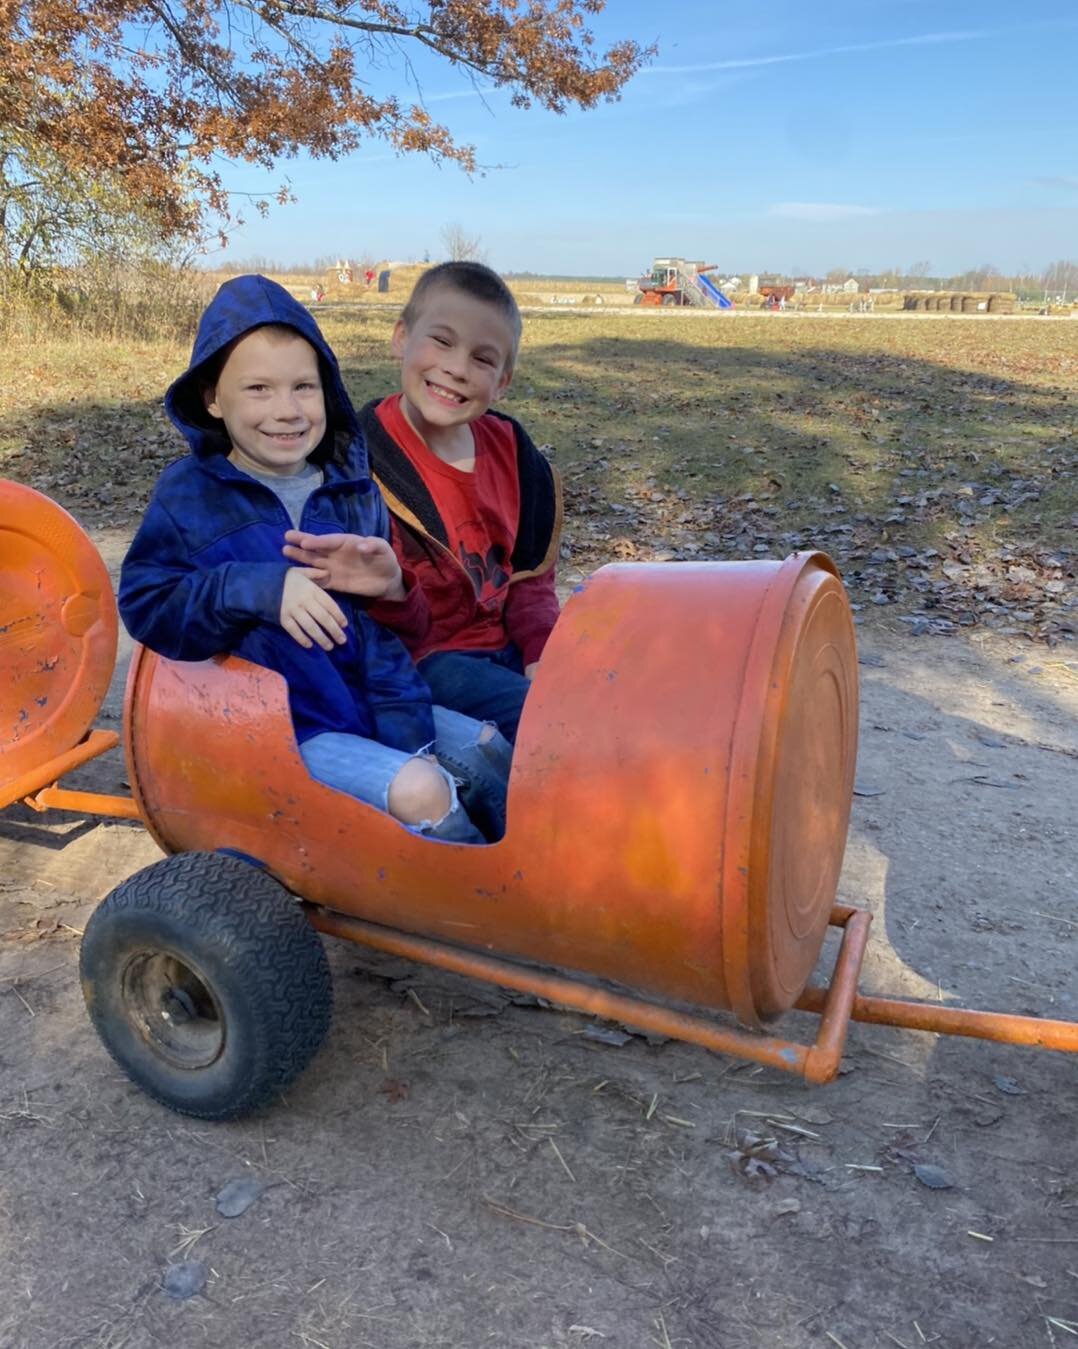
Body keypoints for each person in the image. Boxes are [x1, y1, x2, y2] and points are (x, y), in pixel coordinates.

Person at [118, 274, 511, 844]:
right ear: (211, 398)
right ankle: (475, 914)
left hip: (369, 701)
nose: (287, 410)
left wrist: (394, 589)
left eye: (304, 386)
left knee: (486, 747)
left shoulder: (351, 491)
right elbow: (147, 604)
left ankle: (535, 876)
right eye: (258, 389)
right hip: (280, 729)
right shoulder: (191, 496)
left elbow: (404, 633)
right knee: (423, 789)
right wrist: (257, 589)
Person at [282, 261, 561, 745]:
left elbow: (530, 581)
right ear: (401, 338)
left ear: (503, 381)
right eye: (442, 341)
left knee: (601, 691)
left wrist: (543, 657)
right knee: (548, 722)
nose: (456, 368)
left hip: (506, 651)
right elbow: (356, 613)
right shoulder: (358, 464)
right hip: (420, 661)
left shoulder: (514, 454)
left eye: (483, 358)